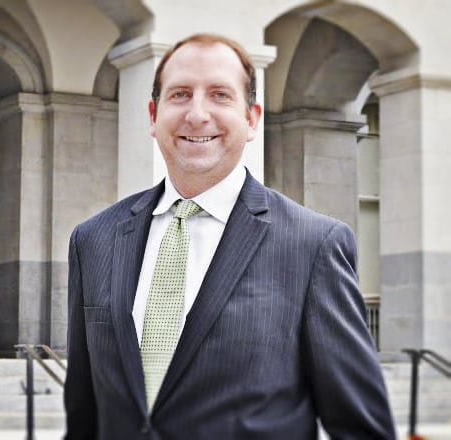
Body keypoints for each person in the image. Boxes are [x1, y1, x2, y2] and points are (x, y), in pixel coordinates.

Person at [63, 33, 395, 439]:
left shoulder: (314, 246)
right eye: (180, 94)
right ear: (153, 115)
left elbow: (361, 429)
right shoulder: (93, 240)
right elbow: (83, 416)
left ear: (251, 118)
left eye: (220, 95)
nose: (197, 114)